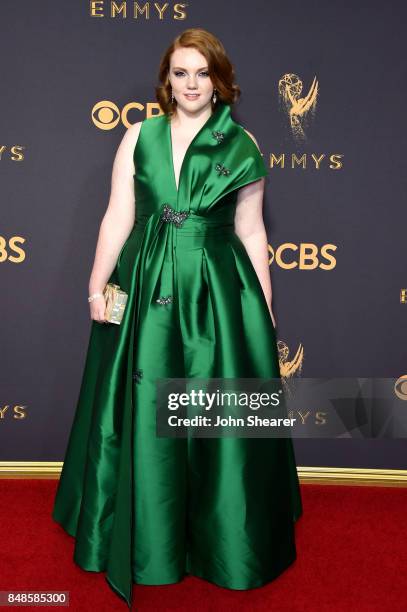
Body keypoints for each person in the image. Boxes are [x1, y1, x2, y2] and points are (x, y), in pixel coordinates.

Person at [52, 27, 303, 609]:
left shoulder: (243, 144)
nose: (191, 84)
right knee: (139, 410)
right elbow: (118, 215)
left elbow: (251, 230)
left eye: (202, 73)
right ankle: (148, 537)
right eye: (180, 72)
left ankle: (222, 539)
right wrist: (97, 283)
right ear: (167, 78)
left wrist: (263, 307)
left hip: (218, 290)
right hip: (141, 285)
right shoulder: (138, 137)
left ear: (220, 80)